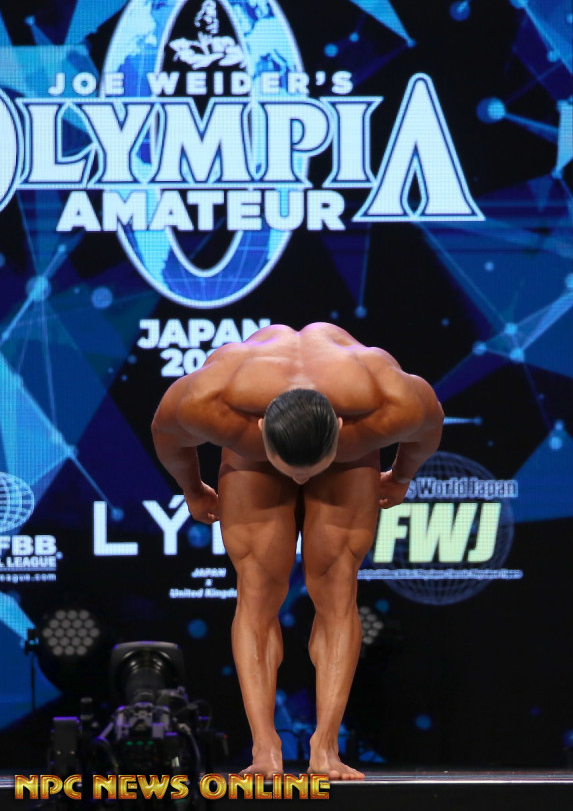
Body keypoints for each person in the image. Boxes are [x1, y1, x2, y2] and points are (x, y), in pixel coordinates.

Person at [152, 322, 444, 779]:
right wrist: (192, 489)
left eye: (311, 470)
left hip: (348, 453)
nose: (301, 480)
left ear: (340, 428)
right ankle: (265, 747)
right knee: (256, 589)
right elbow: (166, 433)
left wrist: (401, 476)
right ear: (262, 427)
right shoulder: (213, 401)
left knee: (337, 587)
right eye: (290, 470)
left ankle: (325, 746)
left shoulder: (388, 400)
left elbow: (429, 426)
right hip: (254, 453)